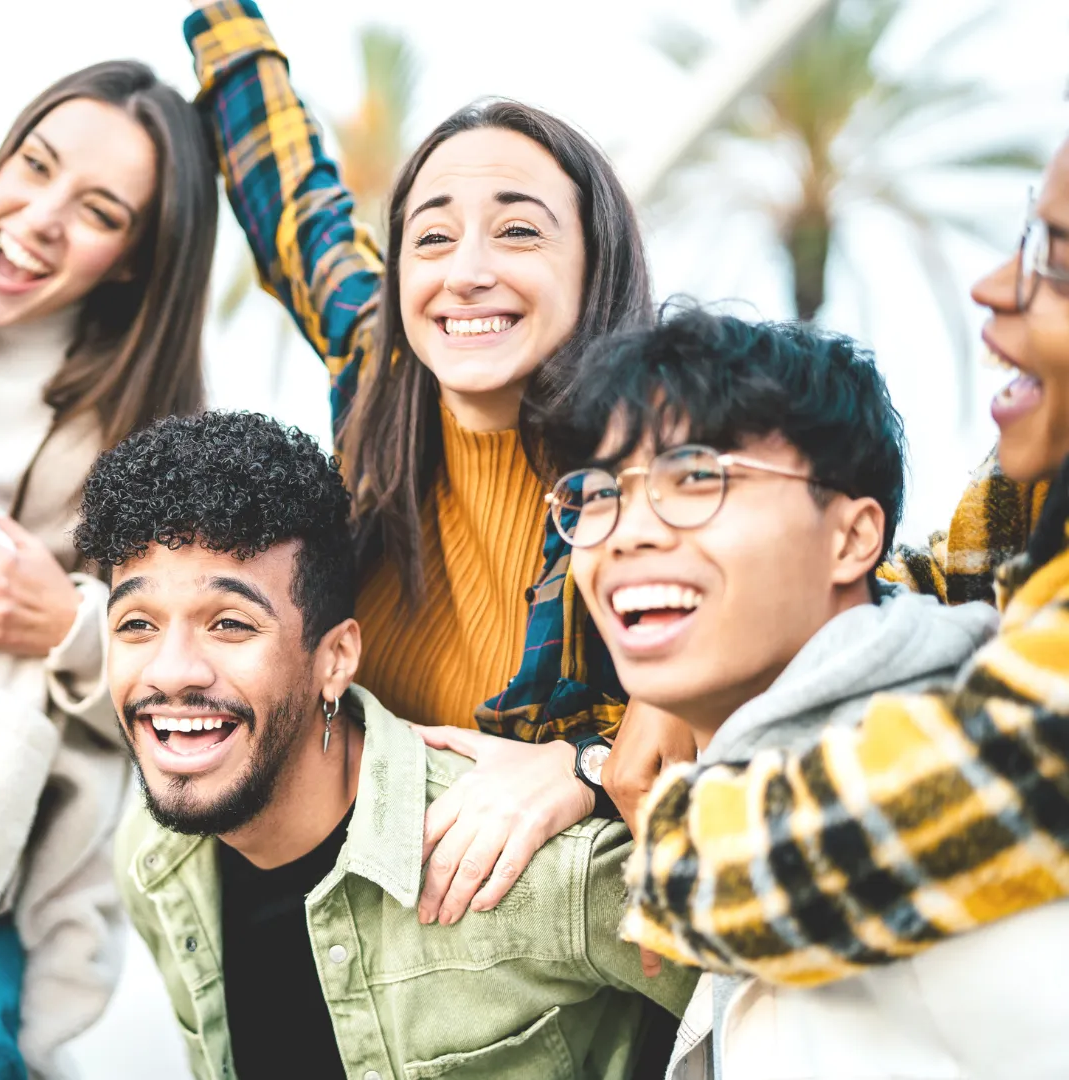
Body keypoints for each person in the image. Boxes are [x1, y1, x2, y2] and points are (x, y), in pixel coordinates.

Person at [180, 0, 697, 936]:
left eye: (519, 232)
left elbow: (800, 646)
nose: (465, 272)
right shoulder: (379, 364)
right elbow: (290, 193)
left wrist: (583, 766)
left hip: (555, 950)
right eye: (431, 237)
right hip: (347, 908)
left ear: (595, 263)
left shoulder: (660, 468)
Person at [613, 142, 1069, 1079]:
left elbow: (1023, 750)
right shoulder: (1018, 540)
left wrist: (675, 833)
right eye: (599, 494)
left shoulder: (974, 905)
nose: (629, 530)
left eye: (1054, 255)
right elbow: (935, 584)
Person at [79, 409, 697, 1080]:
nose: (171, 671)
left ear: (336, 658)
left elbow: (790, 1013)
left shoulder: (538, 871)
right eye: (136, 624)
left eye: (229, 624)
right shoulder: (152, 858)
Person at [0, 61, 217, 1077]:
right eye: (32, 167)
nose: (38, 218)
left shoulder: (136, 439)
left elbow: (198, 657)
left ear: (133, 260)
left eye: (97, 212)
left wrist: (72, 623)